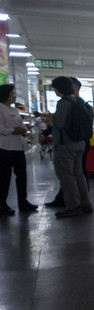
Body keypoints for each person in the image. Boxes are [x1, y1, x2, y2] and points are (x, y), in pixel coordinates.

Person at [50, 76, 93, 218]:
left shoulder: (64, 103)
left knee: (66, 176)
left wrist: (51, 119)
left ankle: (73, 206)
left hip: (65, 144)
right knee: (78, 174)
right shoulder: (78, 101)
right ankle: (85, 203)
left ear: (58, 89)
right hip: (80, 142)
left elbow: (59, 124)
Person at [0, 84, 37, 215]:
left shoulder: (14, 110)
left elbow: (22, 126)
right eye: (12, 93)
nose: (14, 95)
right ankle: (2, 204)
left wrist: (22, 129)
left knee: (22, 175)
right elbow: (1, 129)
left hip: (18, 147)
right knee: (4, 177)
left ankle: (23, 201)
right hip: (4, 148)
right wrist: (14, 130)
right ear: (5, 95)